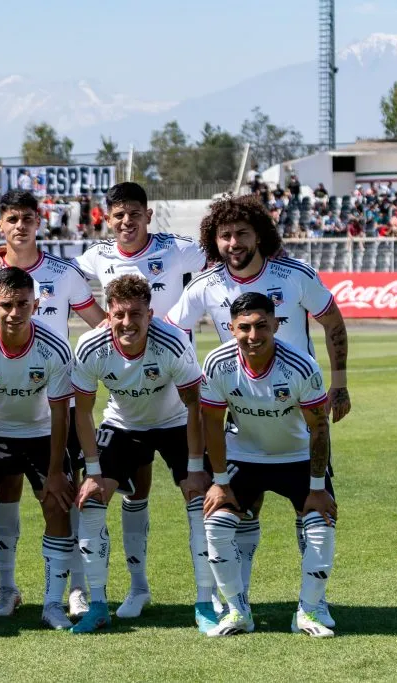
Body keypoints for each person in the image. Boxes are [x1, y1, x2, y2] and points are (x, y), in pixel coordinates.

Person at [165, 194, 349, 625]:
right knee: (238, 509)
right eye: (224, 235)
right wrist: (192, 383)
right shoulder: (205, 285)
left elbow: (334, 322)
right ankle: (239, 604)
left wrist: (339, 386)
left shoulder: (295, 275)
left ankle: (313, 601)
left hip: (299, 411)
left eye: (242, 233)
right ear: (214, 241)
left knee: (314, 510)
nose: (233, 242)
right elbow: (174, 332)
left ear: (260, 236)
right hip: (240, 414)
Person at [0, 189, 105, 619]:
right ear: (1, 226)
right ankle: (6, 590)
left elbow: (98, 322)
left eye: (29, 218)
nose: (21, 226)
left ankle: (77, 590)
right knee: (2, 498)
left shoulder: (64, 273)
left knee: (63, 498)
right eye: (13, 219)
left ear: (38, 223)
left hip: (52, 411)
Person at [71, 275, 212, 633]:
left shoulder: (174, 343)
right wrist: (91, 471)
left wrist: (196, 467)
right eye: (119, 314)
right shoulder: (90, 346)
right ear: (109, 314)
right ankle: (104, 602)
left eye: (136, 314)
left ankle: (206, 601)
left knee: (199, 498)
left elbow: (195, 406)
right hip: (123, 425)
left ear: (150, 314)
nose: (127, 322)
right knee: (92, 500)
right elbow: (83, 412)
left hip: (176, 422)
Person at [200, 292, 337, 638]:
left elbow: (319, 427)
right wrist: (218, 481)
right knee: (216, 524)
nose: (253, 335)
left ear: (276, 324)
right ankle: (237, 612)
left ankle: (310, 611)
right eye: (244, 327)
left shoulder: (301, 365)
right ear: (231, 329)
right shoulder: (217, 363)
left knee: (320, 522)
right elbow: (211, 424)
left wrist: (318, 489)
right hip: (244, 457)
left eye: (262, 325)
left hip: (298, 458)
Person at [0, 266, 75, 631]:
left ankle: (53, 605)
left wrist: (54, 473)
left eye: (23, 303)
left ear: (36, 304)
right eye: (7, 304)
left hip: (40, 435)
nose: (15, 312)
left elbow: (60, 415)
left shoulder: (54, 347)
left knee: (57, 504)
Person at [0, 182, 206, 318]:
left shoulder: (177, 248)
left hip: (174, 364)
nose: (127, 221)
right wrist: (9, 255)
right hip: (125, 364)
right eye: (119, 215)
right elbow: (55, 269)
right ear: (108, 220)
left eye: (135, 214)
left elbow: (221, 262)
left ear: (148, 216)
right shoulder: (98, 255)